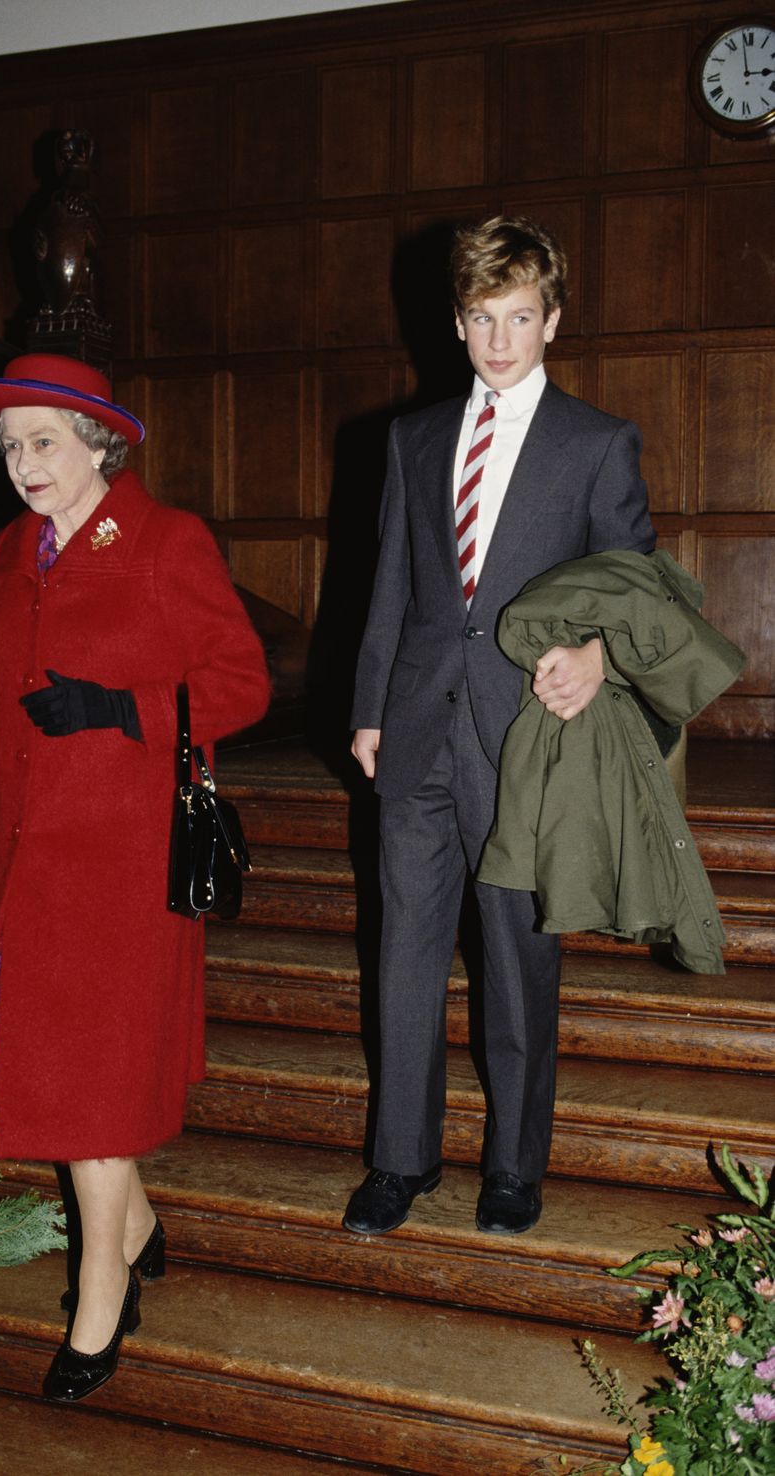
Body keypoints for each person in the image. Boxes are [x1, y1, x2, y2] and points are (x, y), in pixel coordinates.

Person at [0, 353, 270, 1402]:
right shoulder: (0, 558)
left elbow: (245, 684)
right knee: (67, 1081)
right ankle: (142, 1226)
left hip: (119, 872)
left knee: (86, 1099)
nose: (22, 464)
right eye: (8, 445)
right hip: (22, 864)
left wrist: (128, 709)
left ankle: (98, 1306)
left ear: (97, 446)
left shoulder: (167, 543)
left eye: (43, 442)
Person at [344, 216, 654, 1239]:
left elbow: (633, 587)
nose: (499, 341)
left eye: (519, 318)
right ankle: (399, 1159)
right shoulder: (414, 436)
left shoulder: (594, 442)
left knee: (517, 963)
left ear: (552, 320)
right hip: (416, 731)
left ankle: (513, 1169)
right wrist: (367, 710)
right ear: (457, 322)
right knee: (404, 953)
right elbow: (390, 582)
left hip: (528, 735)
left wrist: (600, 655)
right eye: (481, 319)